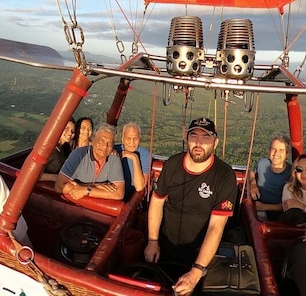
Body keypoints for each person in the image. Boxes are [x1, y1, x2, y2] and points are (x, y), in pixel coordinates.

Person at [144, 118, 237, 296]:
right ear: (186, 138)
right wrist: (152, 241)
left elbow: (216, 227)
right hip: (164, 248)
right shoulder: (172, 164)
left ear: (215, 143)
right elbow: (156, 202)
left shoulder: (224, 175)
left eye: (206, 137)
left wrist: (197, 270)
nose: (199, 143)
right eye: (194, 136)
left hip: (199, 255)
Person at [55, 123, 125, 200]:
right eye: (101, 141)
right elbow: (59, 186)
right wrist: (96, 187)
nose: (105, 146)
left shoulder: (114, 158)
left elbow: (119, 194)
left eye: (110, 143)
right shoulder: (78, 155)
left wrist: (86, 190)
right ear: (93, 139)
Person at [248, 132, 292, 220]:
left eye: (281, 150)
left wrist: (264, 207)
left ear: (287, 154)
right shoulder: (262, 163)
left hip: (279, 216)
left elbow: (290, 204)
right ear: (269, 151)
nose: (276, 153)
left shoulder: (291, 174)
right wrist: (253, 183)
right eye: (273, 149)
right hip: (258, 211)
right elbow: (251, 172)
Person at [114, 121, 152, 197]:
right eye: (128, 138)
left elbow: (139, 187)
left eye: (135, 139)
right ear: (123, 139)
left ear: (139, 139)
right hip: (114, 192)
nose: (132, 142)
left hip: (131, 197)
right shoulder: (114, 150)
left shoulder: (145, 155)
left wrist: (135, 158)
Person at [39, 118, 75, 182]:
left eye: (72, 131)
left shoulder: (65, 147)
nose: (70, 133)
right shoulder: (47, 149)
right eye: (66, 129)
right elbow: (36, 175)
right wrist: (57, 178)